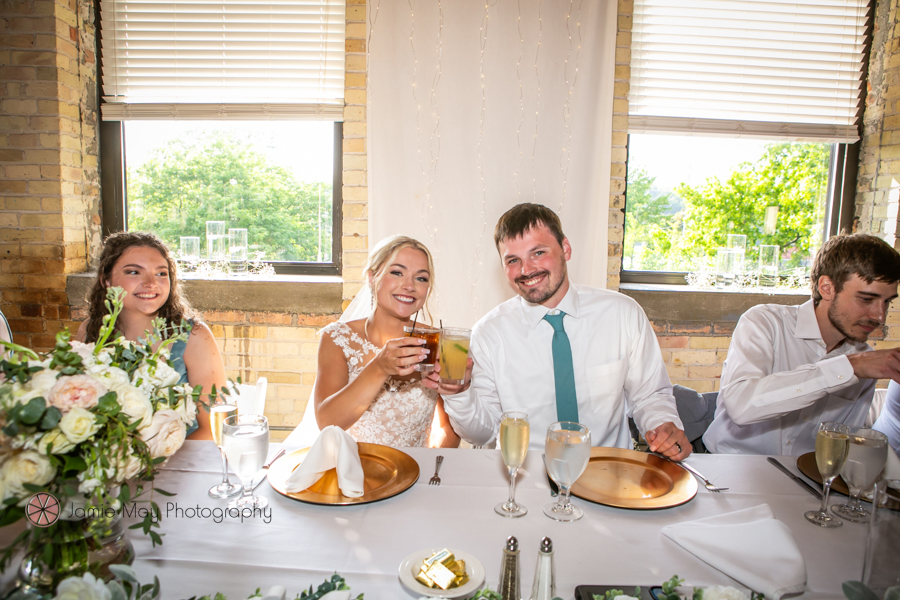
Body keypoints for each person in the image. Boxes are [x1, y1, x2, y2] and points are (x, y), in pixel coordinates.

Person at [425, 203, 689, 459]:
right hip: (526, 482)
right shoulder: (488, 333)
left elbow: (649, 396)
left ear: (565, 248)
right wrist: (459, 393)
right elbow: (483, 434)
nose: (526, 270)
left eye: (538, 252)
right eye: (513, 260)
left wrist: (662, 425)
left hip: (609, 475)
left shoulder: (622, 313)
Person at [703, 233, 900, 455]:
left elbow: (841, 445)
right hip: (727, 470)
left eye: (887, 302)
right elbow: (741, 406)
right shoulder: (766, 322)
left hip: (804, 481)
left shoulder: (866, 360)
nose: (880, 316)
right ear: (826, 287)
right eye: (866, 299)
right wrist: (847, 368)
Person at [291, 235, 459, 448]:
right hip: (354, 473)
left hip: (418, 474)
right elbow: (327, 423)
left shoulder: (438, 342)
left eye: (421, 278)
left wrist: (433, 471)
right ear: (372, 277)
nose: (409, 285)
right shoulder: (337, 339)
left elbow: (450, 428)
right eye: (397, 272)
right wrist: (379, 367)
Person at [76, 231, 225, 440]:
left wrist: (147, 462)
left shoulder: (194, 336)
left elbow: (212, 429)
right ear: (106, 280)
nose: (151, 282)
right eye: (134, 272)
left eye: (161, 273)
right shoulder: (89, 331)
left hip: (181, 465)